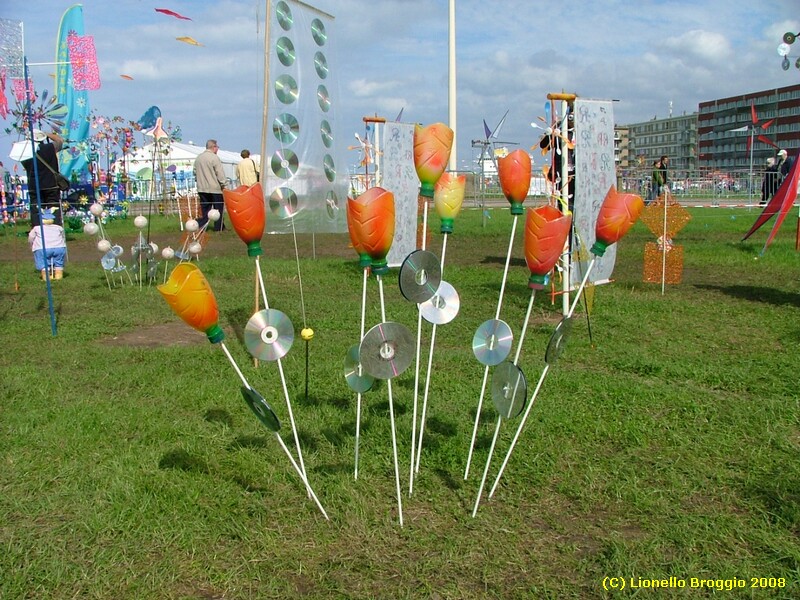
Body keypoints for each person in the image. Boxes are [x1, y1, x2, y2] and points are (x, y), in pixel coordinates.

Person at [21, 129, 64, 228]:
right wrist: (47, 134)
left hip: (34, 185)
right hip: (51, 184)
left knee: (36, 209)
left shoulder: (25, 153)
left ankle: (37, 229)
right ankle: (55, 228)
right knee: (54, 207)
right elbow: (60, 141)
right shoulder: (50, 148)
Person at [194, 139, 227, 231]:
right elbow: (219, 173)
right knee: (218, 209)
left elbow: (194, 172)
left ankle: (202, 225)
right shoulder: (214, 158)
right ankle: (219, 227)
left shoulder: (199, 158)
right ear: (214, 147)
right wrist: (224, 184)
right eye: (217, 147)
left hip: (202, 188)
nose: (217, 149)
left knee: (205, 210)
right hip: (214, 188)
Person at [28, 209, 67, 280]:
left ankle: (46, 278)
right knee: (59, 263)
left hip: (42, 248)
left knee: (43, 264)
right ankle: (58, 277)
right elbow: (63, 237)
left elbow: (31, 237)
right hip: (59, 247)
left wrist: (31, 245)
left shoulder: (37, 228)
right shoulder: (59, 228)